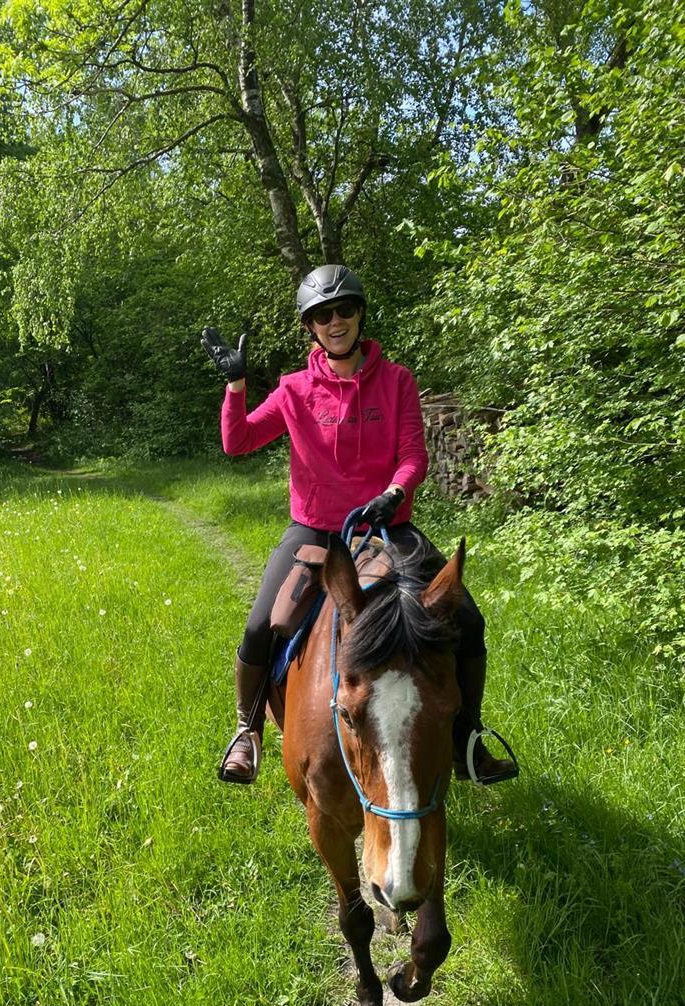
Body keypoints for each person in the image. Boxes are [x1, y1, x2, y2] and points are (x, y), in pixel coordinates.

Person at [200, 264, 517, 787]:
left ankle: (467, 739)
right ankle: (247, 730)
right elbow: (238, 442)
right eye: (322, 315)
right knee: (262, 625)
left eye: (344, 309)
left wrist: (392, 493)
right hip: (317, 530)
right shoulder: (294, 390)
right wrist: (236, 386)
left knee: (468, 620)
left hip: (386, 525)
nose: (335, 320)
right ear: (311, 328)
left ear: (360, 314)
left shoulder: (397, 381)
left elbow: (414, 455)